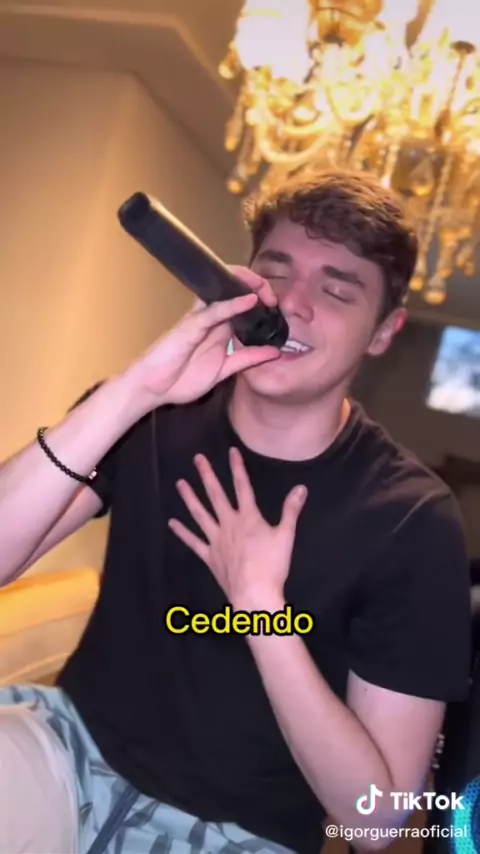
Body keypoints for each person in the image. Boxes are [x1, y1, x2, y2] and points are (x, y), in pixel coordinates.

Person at [0, 170, 472, 854]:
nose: (293, 303)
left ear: (382, 331)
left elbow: (376, 821)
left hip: (239, 834)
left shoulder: (411, 520)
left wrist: (260, 611)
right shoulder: (154, 415)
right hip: (70, 749)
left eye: (337, 291)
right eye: (275, 272)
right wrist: (135, 391)